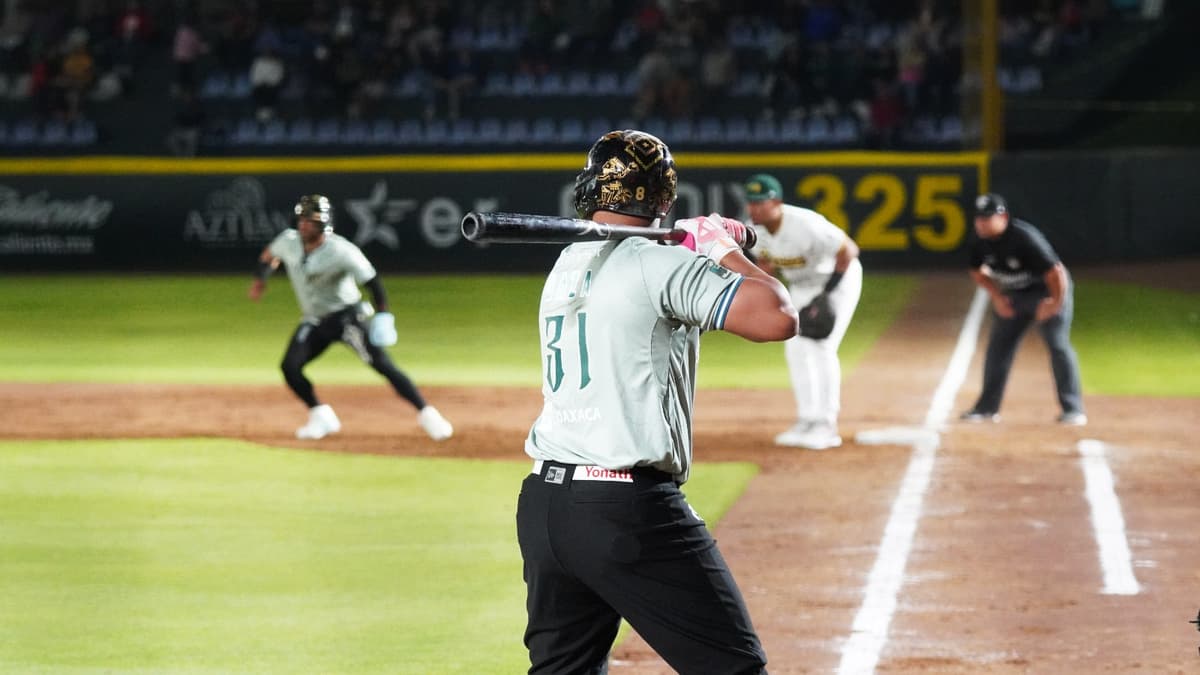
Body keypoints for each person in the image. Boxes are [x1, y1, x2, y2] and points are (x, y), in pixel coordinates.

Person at [516, 130, 798, 674]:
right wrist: (720, 248)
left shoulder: (568, 262)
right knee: (734, 668)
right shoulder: (657, 265)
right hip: (626, 510)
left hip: (545, 508)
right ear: (664, 199)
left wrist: (681, 252)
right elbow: (777, 315)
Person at [247, 194, 453, 441]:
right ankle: (321, 416)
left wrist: (384, 314)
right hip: (314, 320)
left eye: (309, 221)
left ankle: (428, 414)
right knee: (290, 367)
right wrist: (262, 279)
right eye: (301, 219)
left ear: (323, 223)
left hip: (346, 319)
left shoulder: (341, 250)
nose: (303, 225)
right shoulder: (289, 241)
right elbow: (269, 255)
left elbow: (372, 281)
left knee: (382, 365)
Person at [743, 173, 863, 450]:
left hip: (835, 281)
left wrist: (826, 297)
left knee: (821, 346)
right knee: (794, 348)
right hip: (801, 285)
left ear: (777, 202)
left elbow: (849, 251)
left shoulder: (807, 224)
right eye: (751, 202)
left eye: (760, 202)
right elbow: (766, 265)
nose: (754, 208)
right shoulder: (755, 230)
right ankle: (807, 419)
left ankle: (827, 424)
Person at [959, 193, 1087, 425]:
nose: (981, 223)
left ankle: (1073, 409)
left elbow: (1055, 272)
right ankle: (987, 408)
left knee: (1058, 345)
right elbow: (977, 272)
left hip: (1048, 292)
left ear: (1004, 217)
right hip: (1015, 297)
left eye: (987, 218)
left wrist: (1054, 303)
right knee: (998, 348)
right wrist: (997, 297)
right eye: (978, 218)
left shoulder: (1024, 238)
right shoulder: (979, 242)